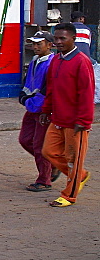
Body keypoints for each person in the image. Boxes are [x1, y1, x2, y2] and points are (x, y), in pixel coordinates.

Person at [41, 23, 94, 207]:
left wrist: (84, 120)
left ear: (73, 39)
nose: (58, 42)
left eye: (63, 38)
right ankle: (80, 175)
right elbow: (51, 89)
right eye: (56, 38)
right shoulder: (56, 60)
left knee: (73, 159)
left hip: (75, 122)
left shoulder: (82, 61)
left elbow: (87, 93)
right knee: (48, 151)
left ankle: (69, 195)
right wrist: (46, 110)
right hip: (57, 119)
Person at [20, 31, 57, 192]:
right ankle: (51, 166)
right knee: (25, 140)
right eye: (34, 43)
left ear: (49, 45)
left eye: (39, 43)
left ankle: (44, 179)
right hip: (32, 106)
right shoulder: (35, 60)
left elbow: (49, 88)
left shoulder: (52, 63)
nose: (35, 46)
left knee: (39, 145)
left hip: (43, 109)